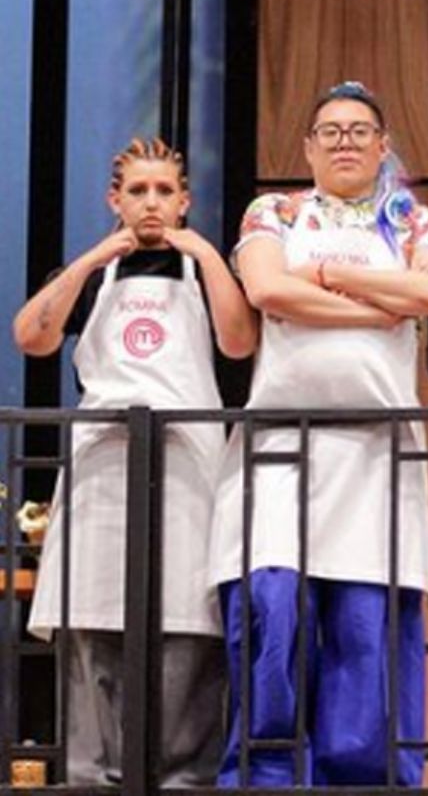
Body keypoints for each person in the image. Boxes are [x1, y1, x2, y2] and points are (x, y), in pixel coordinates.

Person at [208, 82, 428, 786]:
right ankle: (266, 775)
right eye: (331, 132)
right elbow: (267, 288)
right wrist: (378, 306)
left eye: (359, 131)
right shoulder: (275, 212)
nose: (345, 142)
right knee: (271, 605)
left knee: (364, 632)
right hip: (280, 446)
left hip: (377, 451)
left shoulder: (415, 221)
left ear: (383, 145)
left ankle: (363, 781)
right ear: (309, 147)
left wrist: (323, 273)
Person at [14, 137, 257, 785]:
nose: (151, 203)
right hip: (102, 472)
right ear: (114, 200)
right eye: (137, 191)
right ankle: (91, 779)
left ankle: (182, 781)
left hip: (187, 473)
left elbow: (239, 342)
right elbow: (32, 336)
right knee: (91, 633)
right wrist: (92, 256)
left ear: (185, 201)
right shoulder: (94, 277)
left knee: (186, 638)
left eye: (164, 191)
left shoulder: (204, 271)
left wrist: (206, 252)